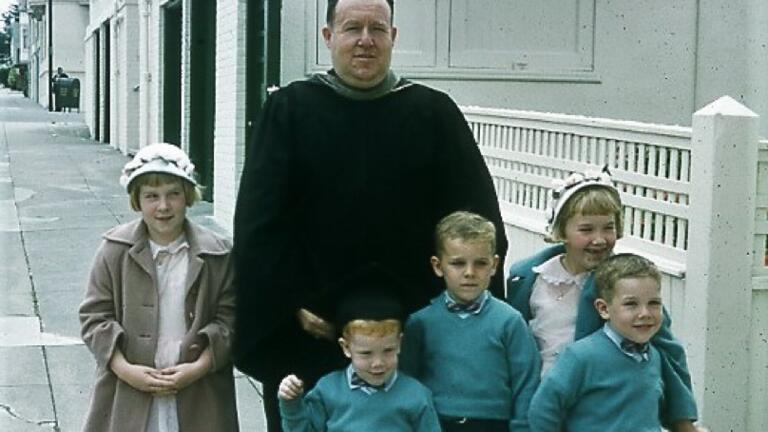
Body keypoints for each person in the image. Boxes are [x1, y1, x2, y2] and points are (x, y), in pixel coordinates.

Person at [232, 0, 507, 429]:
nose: (365, 40)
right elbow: (259, 224)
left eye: (377, 29)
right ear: (328, 37)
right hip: (311, 331)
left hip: (408, 343)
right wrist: (290, 303)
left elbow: (474, 221)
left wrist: (441, 312)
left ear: (393, 37)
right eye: (351, 28)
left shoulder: (433, 114)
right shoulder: (290, 111)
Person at [506, 168, 701, 431]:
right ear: (561, 230)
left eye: (608, 228)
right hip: (541, 404)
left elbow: (668, 353)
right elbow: (514, 344)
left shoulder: (624, 285)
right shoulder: (529, 278)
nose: (599, 239)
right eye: (586, 229)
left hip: (596, 407)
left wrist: (683, 421)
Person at [79, 143, 239, 432]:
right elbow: (94, 318)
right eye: (151, 196)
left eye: (173, 194)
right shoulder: (114, 251)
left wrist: (198, 367)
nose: (163, 206)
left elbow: (230, 320)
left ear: (188, 197)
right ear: (137, 201)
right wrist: (125, 369)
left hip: (197, 388)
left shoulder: (217, 254)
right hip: (130, 385)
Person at [400, 211, 540, 431]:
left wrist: (522, 427)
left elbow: (526, 382)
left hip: (493, 425)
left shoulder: (509, 321)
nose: (469, 273)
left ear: (494, 265)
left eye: (480, 263)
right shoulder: (421, 323)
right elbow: (407, 381)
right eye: (457, 263)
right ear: (438, 266)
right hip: (436, 423)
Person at [277, 270, 441, 431]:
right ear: (346, 347)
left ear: (399, 343)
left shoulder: (416, 396)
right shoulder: (328, 390)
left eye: (388, 350)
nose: (378, 363)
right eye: (366, 353)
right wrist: (292, 404)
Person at [528, 253, 667, 430]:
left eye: (654, 303)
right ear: (603, 309)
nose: (645, 313)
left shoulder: (653, 356)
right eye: (631, 304)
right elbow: (543, 410)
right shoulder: (580, 357)